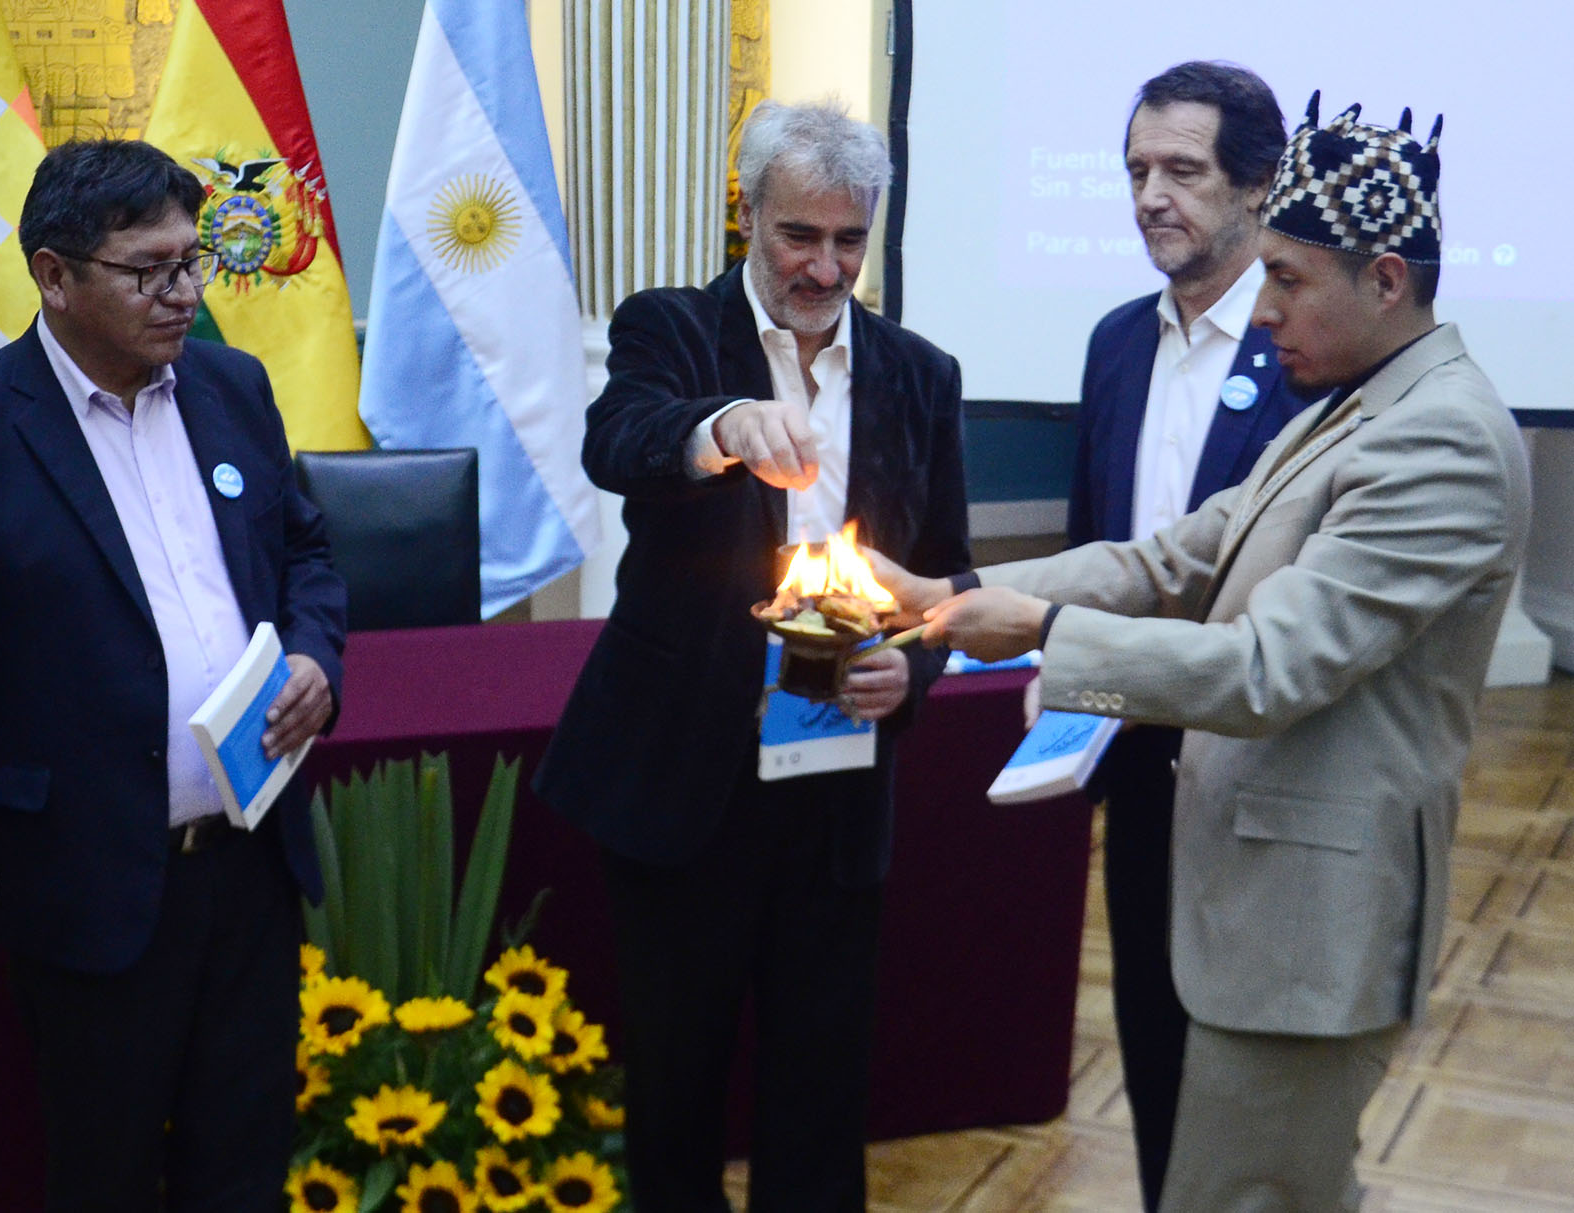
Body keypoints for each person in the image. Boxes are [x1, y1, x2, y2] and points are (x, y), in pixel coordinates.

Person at [881, 95, 1529, 1210]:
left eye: (1286, 279)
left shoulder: (1442, 436)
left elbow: (1265, 668)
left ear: (1384, 280)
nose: (1262, 309)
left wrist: (1039, 633)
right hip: (1253, 899)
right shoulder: (1351, 407)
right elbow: (1174, 558)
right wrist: (954, 597)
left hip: (1308, 925)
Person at [0, 139, 346, 1212]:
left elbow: (307, 553)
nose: (183, 293)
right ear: (53, 276)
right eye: (149, 271)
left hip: (251, 866)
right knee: (103, 1177)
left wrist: (314, 653)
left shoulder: (232, 387)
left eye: (191, 261)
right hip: (87, 881)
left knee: (244, 1172)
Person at [534, 100, 971, 1212]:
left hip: (837, 784)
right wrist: (723, 427)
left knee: (820, 1083)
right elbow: (617, 440)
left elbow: (948, 573)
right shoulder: (672, 328)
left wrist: (911, 669)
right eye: (798, 236)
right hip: (687, 774)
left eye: (849, 240)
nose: (825, 268)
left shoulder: (920, 373)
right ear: (748, 215)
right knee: (674, 1083)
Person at [1069, 60, 1310, 1210]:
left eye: (1180, 170)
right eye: (1134, 171)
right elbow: (1095, 549)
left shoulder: (1309, 358)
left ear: (1256, 186)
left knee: (1253, 1088)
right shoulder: (1113, 343)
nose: (1149, 197)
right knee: (1153, 1049)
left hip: (1260, 773)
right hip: (1135, 756)